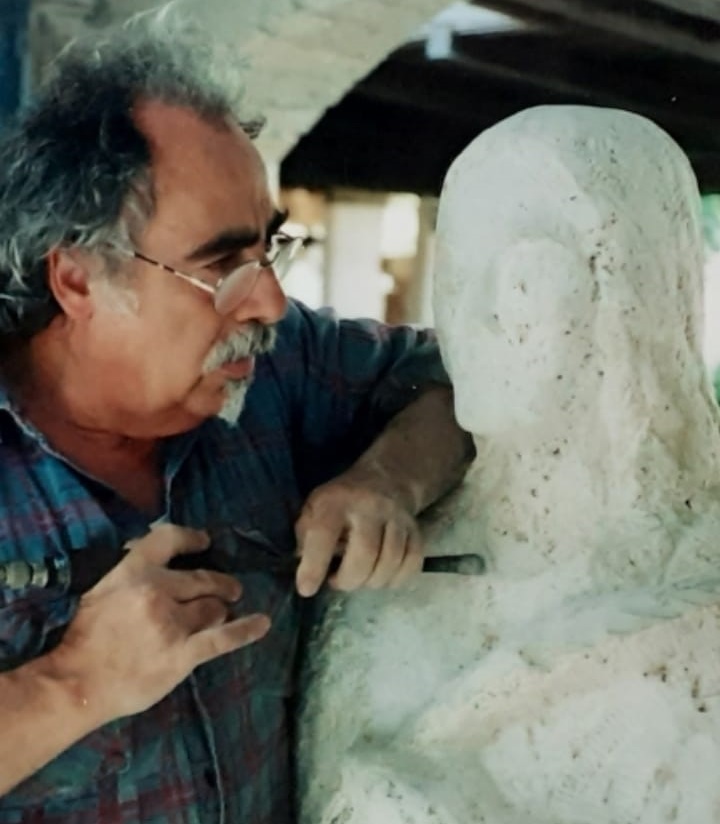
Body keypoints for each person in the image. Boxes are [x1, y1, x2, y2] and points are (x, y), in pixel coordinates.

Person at [0, 14, 474, 824]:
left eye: (270, 249)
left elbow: (460, 376)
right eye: (221, 263)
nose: (270, 300)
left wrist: (386, 478)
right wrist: (74, 681)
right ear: (77, 280)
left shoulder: (275, 368)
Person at [298, 105, 720, 824]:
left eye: (525, 277)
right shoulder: (386, 582)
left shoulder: (698, 581)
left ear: (633, 292)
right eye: (456, 273)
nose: (477, 314)